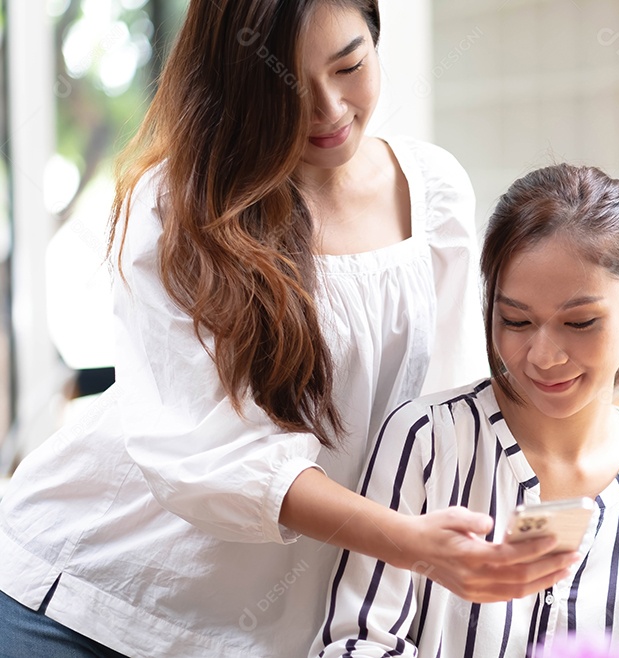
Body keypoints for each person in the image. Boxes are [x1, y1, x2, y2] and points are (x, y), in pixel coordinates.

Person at [0, 2, 575, 656]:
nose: (329, 109)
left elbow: (451, 406)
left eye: (349, 66)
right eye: (289, 85)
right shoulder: (177, 205)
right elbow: (207, 456)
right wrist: (406, 542)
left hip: (261, 636)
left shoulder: (435, 194)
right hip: (84, 599)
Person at [311, 164, 619, 657]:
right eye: (516, 320)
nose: (544, 357)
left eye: (580, 322)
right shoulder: (427, 441)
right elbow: (357, 643)